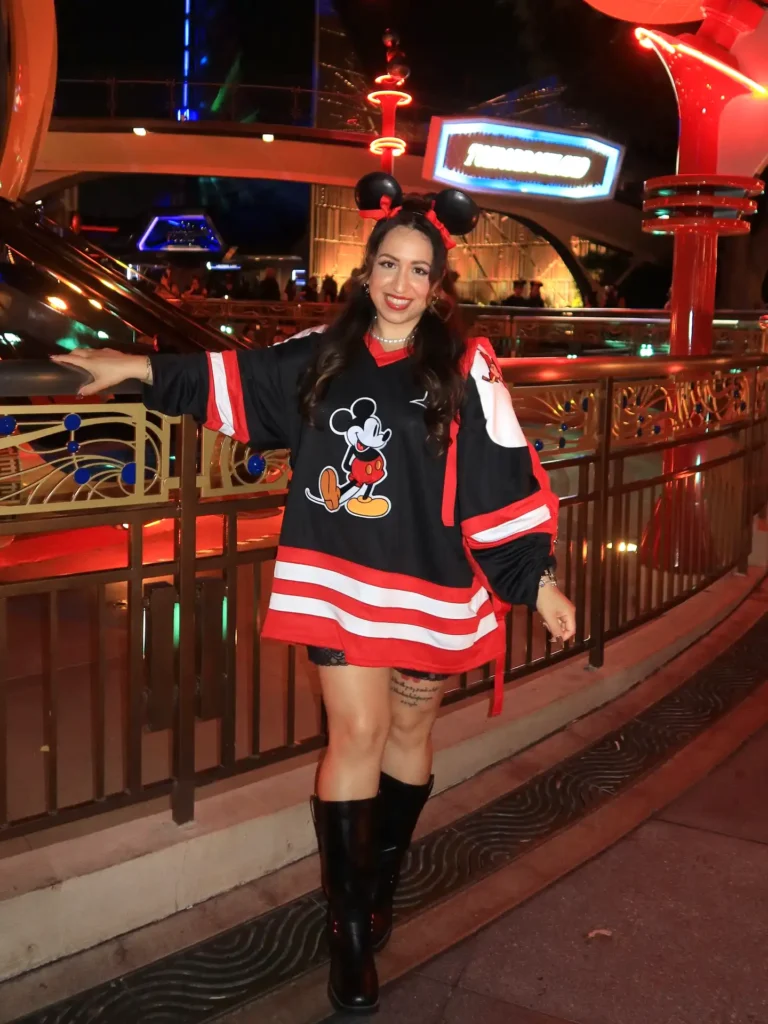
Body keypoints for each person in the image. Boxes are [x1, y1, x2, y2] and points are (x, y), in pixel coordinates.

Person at [51, 171, 576, 1017]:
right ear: (365, 272)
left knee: (410, 729)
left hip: (431, 580)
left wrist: (537, 578)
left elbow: (502, 470)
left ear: (437, 284)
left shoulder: (466, 368)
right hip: (336, 576)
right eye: (388, 265)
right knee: (358, 732)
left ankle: (380, 884)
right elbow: (228, 379)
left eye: (419, 271)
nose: (401, 284)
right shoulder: (320, 356)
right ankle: (350, 931)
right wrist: (132, 367)